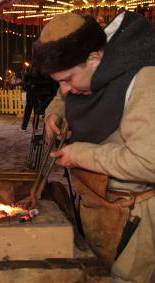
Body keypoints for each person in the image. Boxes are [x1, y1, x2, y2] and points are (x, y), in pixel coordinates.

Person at [33, 12, 155, 282]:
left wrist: (80, 155)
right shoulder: (88, 69)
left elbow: (149, 163)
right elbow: (63, 96)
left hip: (133, 219)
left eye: (67, 80)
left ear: (94, 58)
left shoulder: (144, 81)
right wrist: (56, 113)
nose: (64, 90)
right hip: (99, 209)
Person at [20, 67, 57, 131]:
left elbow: (25, 85)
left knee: (31, 112)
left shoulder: (31, 74)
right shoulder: (37, 74)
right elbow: (25, 85)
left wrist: (29, 86)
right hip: (36, 95)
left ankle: (26, 127)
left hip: (34, 95)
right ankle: (31, 127)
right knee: (33, 111)